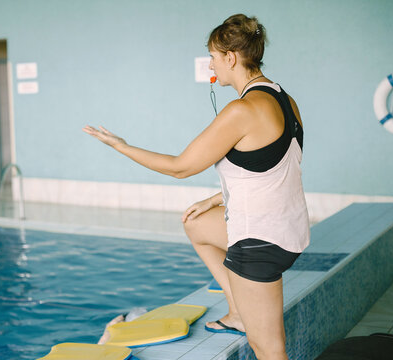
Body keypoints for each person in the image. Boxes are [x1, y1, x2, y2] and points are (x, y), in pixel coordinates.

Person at [83, 13, 310, 360]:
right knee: (196, 223)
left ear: (231, 58)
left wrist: (121, 145)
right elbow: (277, 168)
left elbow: (180, 167)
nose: (211, 64)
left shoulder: (242, 110)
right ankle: (237, 313)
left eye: (214, 56)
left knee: (269, 349)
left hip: (260, 241)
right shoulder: (284, 99)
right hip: (288, 230)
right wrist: (216, 198)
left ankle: (244, 313)